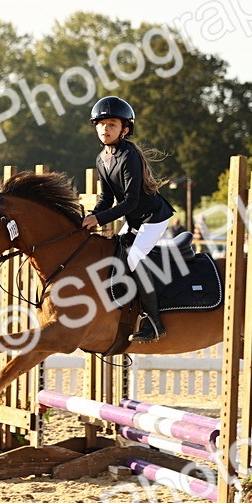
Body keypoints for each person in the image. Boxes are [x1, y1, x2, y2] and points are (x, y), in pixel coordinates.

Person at [81, 95, 174, 343]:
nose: (105, 129)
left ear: (125, 129)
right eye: (101, 124)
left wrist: (99, 220)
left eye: (112, 124)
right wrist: (91, 216)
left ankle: (154, 322)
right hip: (134, 220)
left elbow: (130, 201)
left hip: (153, 218)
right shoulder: (102, 158)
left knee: (134, 257)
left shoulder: (128, 154)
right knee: (115, 253)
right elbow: (106, 198)